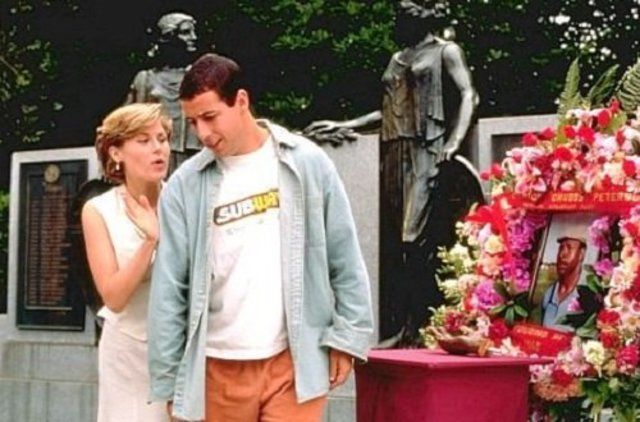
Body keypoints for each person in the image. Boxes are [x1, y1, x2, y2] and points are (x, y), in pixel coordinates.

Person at [147, 53, 374, 421]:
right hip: (215, 369)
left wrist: (347, 339)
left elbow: (344, 256)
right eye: (192, 122)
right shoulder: (184, 187)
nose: (202, 134)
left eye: (210, 117)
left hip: (294, 364)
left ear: (241, 101)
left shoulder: (308, 163)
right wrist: (170, 380)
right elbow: (169, 290)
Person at [304, 0, 479, 345]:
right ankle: (406, 328)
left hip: (427, 149)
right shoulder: (398, 58)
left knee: (413, 237)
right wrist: (345, 124)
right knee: (395, 244)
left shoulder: (445, 51)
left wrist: (454, 141)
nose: (398, 20)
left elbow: (468, 95)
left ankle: (422, 326)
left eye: (404, 14)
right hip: (394, 152)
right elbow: (387, 111)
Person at [81, 103, 171, 421]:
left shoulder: (184, 201)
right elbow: (114, 298)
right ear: (116, 153)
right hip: (129, 353)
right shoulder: (99, 211)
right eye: (143, 141)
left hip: (183, 350)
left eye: (162, 139)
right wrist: (150, 241)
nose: (158, 148)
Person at [126, 12, 202, 172]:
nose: (193, 37)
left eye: (193, 32)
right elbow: (125, 124)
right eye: (186, 32)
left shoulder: (201, 77)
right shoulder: (145, 79)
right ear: (169, 37)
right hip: (157, 156)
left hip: (195, 155)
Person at [541, 236, 587, 331]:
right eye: (561, 248)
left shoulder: (587, 297)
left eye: (569, 248)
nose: (562, 255)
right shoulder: (549, 294)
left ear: (581, 255)